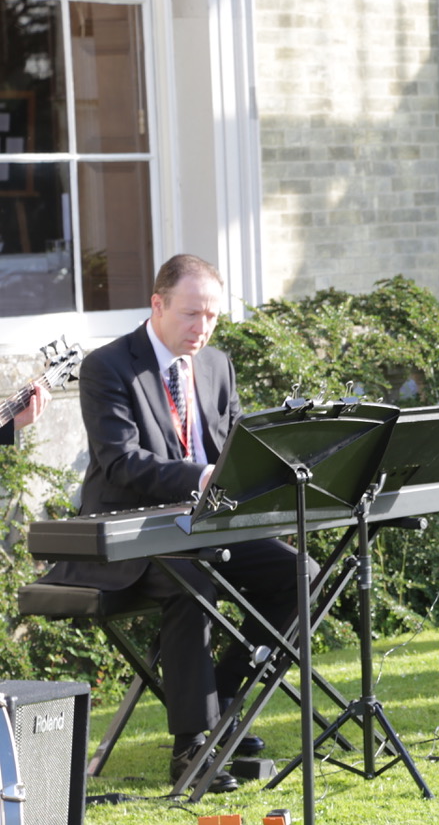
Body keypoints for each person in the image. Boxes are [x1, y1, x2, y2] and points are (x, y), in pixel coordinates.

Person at [44, 255, 316, 792]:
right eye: (192, 315)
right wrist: (202, 475)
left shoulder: (217, 365)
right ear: (158, 305)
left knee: (302, 575)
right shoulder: (108, 366)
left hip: (208, 529)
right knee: (191, 581)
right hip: (127, 536)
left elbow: (240, 446)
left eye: (212, 317)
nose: (203, 328)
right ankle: (193, 745)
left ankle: (223, 696)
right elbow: (120, 461)